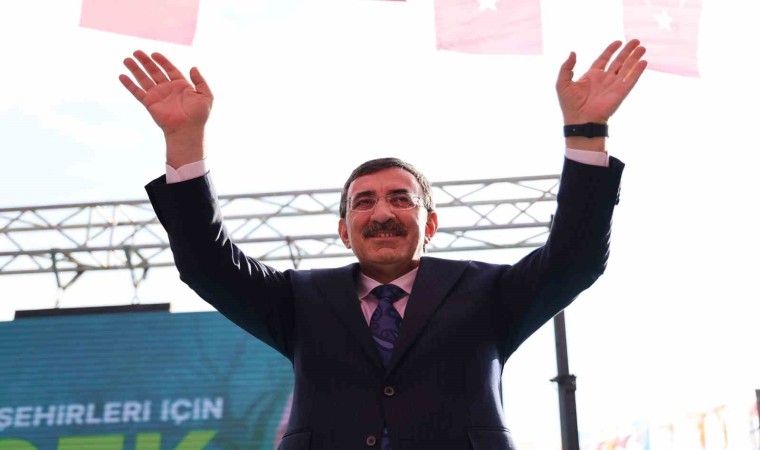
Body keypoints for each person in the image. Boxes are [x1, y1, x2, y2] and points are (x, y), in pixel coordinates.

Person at [121, 39, 646, 450]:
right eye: (364, 203)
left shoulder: (489, 292)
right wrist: (183, 141)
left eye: (400, 199)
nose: (382, 214)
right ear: (344, 230)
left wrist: (586, 131)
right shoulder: (298, 300)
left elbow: (575, 259)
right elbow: (208, 265)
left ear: (430, 224)